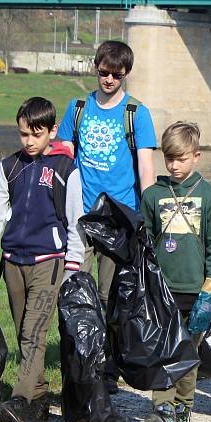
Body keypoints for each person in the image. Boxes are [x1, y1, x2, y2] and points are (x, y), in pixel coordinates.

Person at [0, 97, 86, 422]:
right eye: (23, 133)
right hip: (13, 261)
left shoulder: (65, 169)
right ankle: (39, 403)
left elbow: (75, 219)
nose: (28, 141)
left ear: (52, 131)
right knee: (24, 332)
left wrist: (73, 263)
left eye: (36, 134)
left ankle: (20, 403)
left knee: (33, 332)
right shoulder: (9, 167)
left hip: (49, 262)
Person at [57, 40, 157, 393]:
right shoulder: (79, 107)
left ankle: (108, 364)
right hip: (83, 217)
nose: (109, 79)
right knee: (75, 291)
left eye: (116, 74)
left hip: (119, 218)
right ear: (95, 68)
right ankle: (80, 361)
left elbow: (146, 168)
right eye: (103, 72)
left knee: (109, 295)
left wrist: (148, 216)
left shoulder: (136, 113)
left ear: (126, 73)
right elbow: (63, 155)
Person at [139, 122, 211, 422]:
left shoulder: (209, 196)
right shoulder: (153, 195)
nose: (174, 165)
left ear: (196, 157)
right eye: (169, 158)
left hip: (198, 291)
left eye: (181, 158)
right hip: (162, 289)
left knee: (187, 354)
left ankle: (183, 407)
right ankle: (161, 410)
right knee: (163, 351)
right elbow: (145, 244)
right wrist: (146, 281)